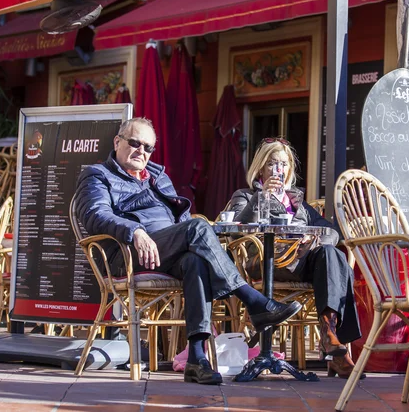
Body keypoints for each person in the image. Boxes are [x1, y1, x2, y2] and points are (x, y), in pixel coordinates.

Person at [75, 118, 301, 385]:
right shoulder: (97, 174)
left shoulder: (158, 176)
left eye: (147, 147)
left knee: (196, 260)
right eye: (134, 143)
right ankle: (254, 301)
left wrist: (197, 243)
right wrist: (135, 231)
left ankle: (196, 358)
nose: (141, 151)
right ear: (117, 142)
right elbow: (94, 214)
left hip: (166, 249)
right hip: (127, 253)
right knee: (197, 227)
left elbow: (178, 221)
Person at [228, 137, 363, 378]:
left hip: (300, 262)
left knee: (331, 253)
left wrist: (313, 241)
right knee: (338, 265)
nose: (277, 170)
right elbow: (234, 226)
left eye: (282, 164)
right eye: (271, 163)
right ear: (260, 167)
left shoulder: (297, 203)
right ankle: (335, 348)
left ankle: (330, 335)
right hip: (266, 261)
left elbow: (331, 231)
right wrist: (262, 197)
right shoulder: (246, 195)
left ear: (289, 169)